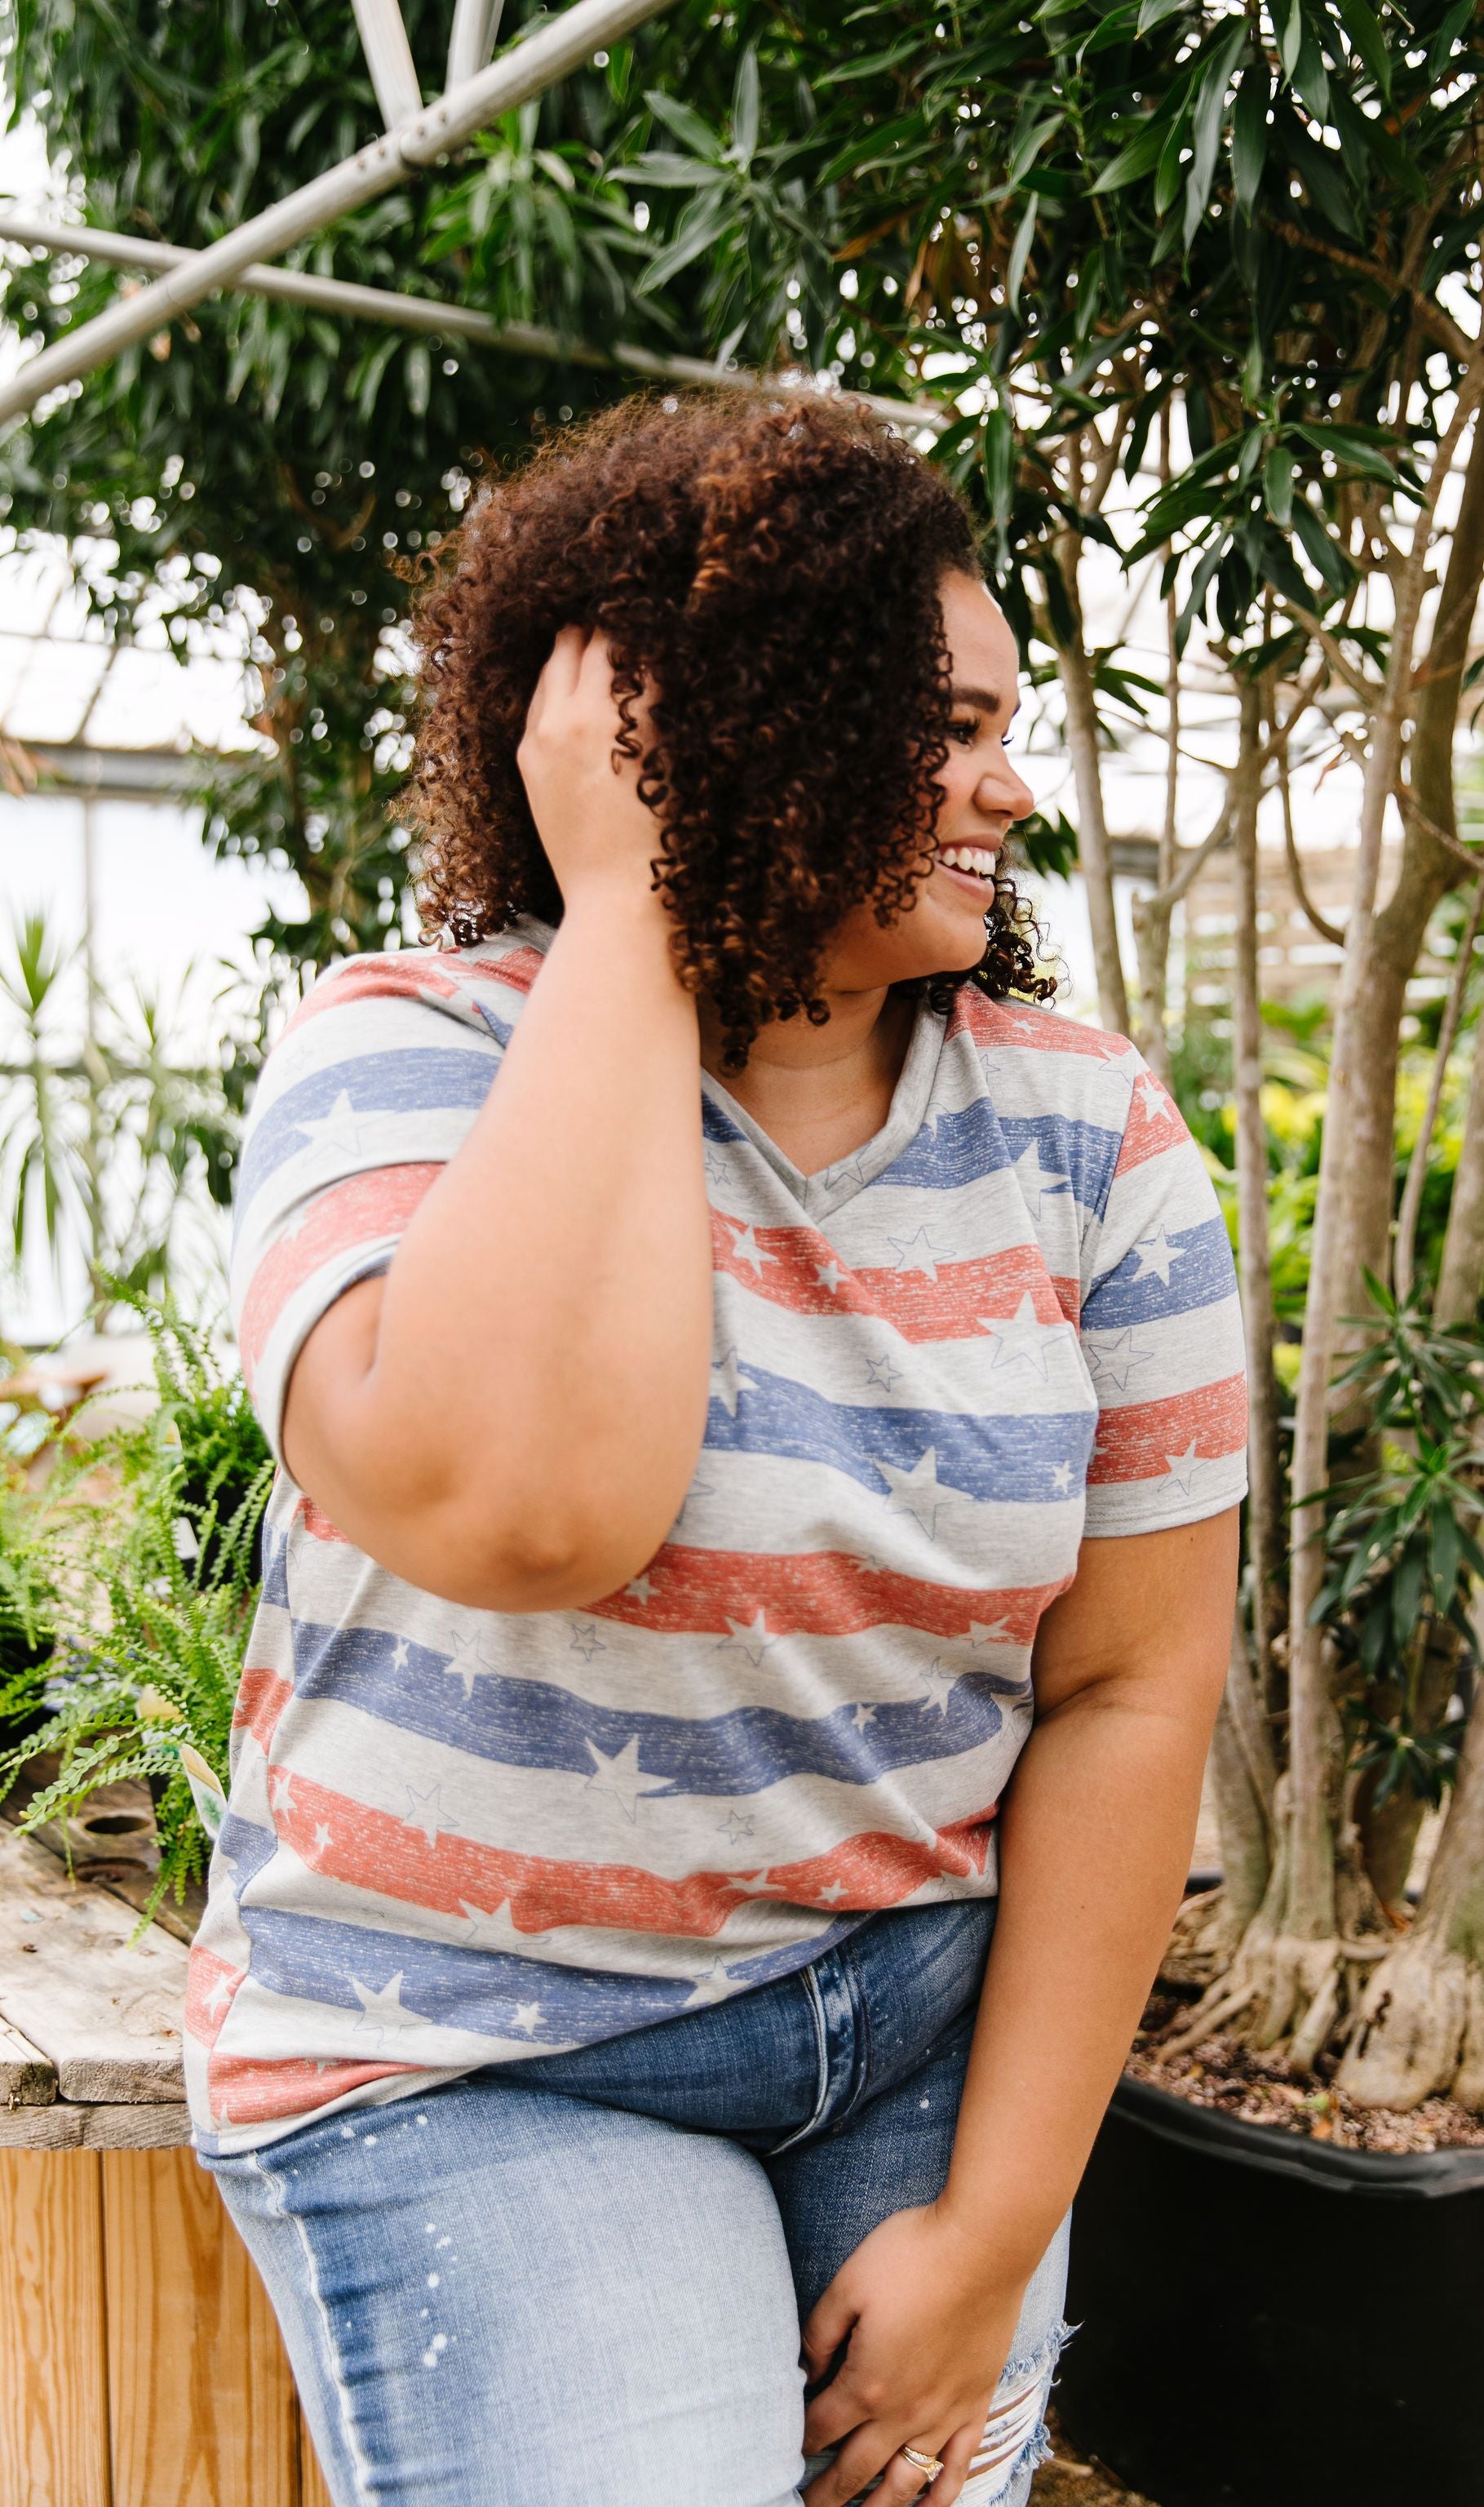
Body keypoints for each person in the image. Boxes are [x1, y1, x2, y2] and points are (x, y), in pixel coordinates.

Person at [192, 389, 1245, 2507]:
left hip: (914, 2017)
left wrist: (992, 2231)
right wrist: (628, 912)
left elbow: (1135, 1689)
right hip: (480, 2050)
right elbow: (521, 1509)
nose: (1008, 786)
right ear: (724, 722)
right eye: (944, 726)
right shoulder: (405, 1053)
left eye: (1008, 725)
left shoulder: (1093, 1136)